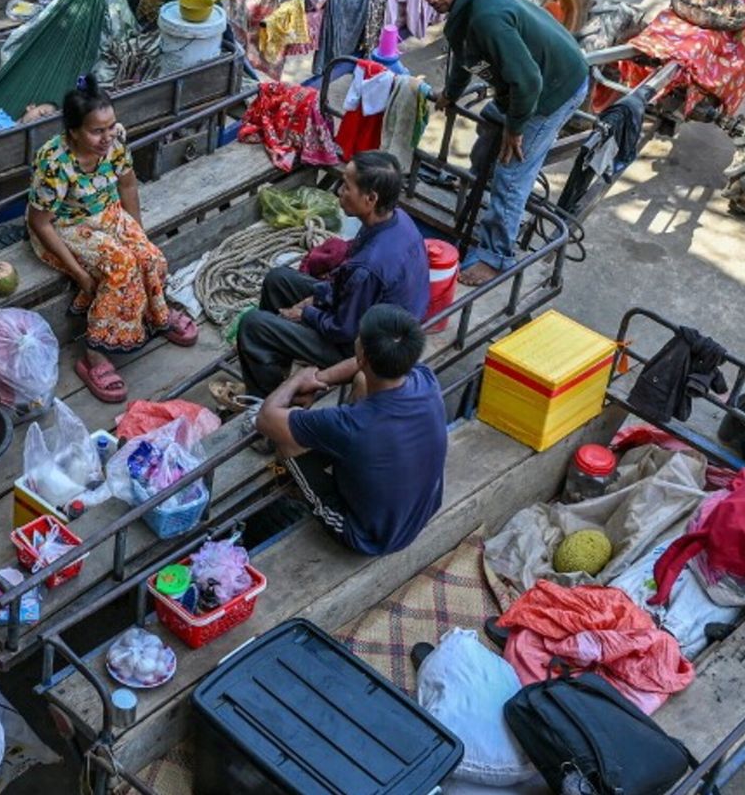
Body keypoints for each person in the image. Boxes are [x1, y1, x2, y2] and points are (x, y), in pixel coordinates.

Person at [414, 0, 588, 288]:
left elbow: (529, 81)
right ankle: (478, 184)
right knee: (491, 124)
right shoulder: (464, 7)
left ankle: (496, 256)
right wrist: (451, 93)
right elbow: (466, 53)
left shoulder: (488, 15)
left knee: (512, 170)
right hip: (525, 84)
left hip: (552, 88)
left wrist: (516, 128)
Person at [27, 75, 198, 403]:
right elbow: (40, 223)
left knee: (148, 257)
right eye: (96, 131)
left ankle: (157, 314)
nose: (107, 137)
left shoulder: (115, 141)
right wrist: (79, 273)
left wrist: (138, 236)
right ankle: (94, 354)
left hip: (108, 214)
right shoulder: (55, 162)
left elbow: (128, 186)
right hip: (65, 227)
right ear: (74, 131)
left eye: (110, 127)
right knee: (121, 266)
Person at [255, 304, 447, 556]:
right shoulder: (425, 379)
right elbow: (361, 369)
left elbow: (266, 419)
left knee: (287, 442)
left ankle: (290, 484)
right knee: (361, 380)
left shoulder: (351, 424)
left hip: (372, 537)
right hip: (421, 510)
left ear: (363, 354)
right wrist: (321, 379)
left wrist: (298, 379)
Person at [236, 150, 429, 398]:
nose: (339, 191)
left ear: (370, 198)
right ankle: (274, 367)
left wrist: (308, 313)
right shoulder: (396, 219)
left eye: (347, 187)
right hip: (368, 312)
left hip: (365, 348)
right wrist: (318, 295)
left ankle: (267, 400)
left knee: (253, 325)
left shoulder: (369, 267)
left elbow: (344, 329)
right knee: (278, 279)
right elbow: (346, 287)